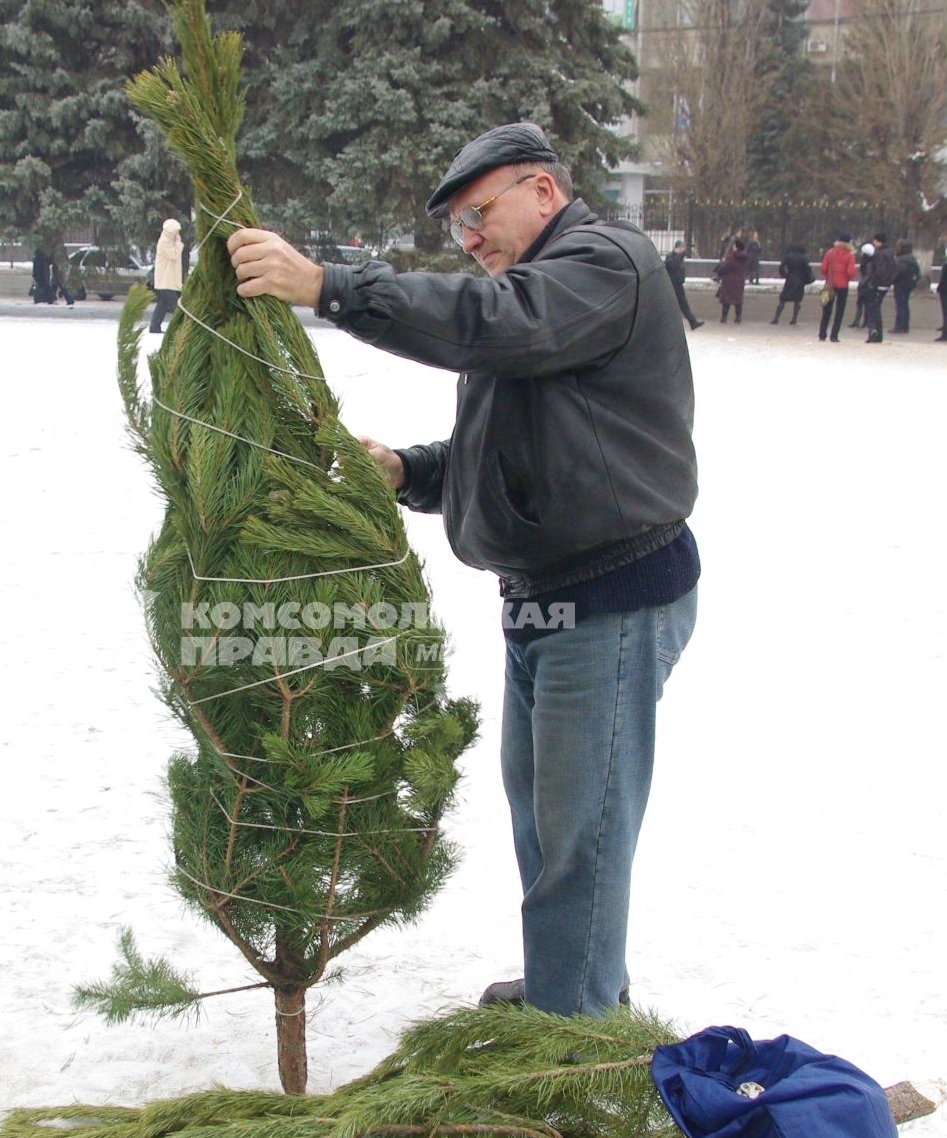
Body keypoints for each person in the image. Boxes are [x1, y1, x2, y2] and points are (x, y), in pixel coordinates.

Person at [227, 121, 698, 1020]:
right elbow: (513, 450)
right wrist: (410, 471)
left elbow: (491, 324)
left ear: (544, 191)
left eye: (479, 215)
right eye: (457, 228)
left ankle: (574, 1033)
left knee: (581, 834)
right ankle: (574, 986)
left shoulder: (601, 266)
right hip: (546, 603)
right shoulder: (538, 298)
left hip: (613, 600)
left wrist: (328, 286)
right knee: (548, 823)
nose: (470, 239)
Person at [818, 231, 858, 342]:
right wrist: (846, 279)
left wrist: (828, 277)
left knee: (826, 310)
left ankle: (822, 334)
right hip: (843, 286)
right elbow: (851, 272)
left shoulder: (830, 252)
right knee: (839, 311)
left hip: (830, 284)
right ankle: (834, 335)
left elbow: (823, 268)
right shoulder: (850, 255)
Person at [148, 218, 184, 333]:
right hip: (165, 280)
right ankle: (181, 327)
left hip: (167, 280)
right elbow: (174, 254)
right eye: (176, 231)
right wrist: (179, 243)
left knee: (162, 305)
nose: (177, 234)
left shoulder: (169, 241)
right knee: (175, 305)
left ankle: (154, 327)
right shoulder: (164, 242)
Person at [861, 234, 895, 344]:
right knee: (876, 308)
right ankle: (878, 334)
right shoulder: (889, 252)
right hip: (885, 284)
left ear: (877, 241)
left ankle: (874, 331)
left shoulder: (879, 254)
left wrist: (873, 282)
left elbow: (879, 270)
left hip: (878, 284)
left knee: (873, 309)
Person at [663, 241, 704, 330]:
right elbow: (673, 265)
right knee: (670, 305)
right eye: (681, 248)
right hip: (671, 286)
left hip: (678, 285)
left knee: (683, 305)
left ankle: (693, 322)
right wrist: (679, 255)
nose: (682, 250)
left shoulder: (680, 258)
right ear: (676, 248)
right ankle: (691, 322)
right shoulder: (670, 257)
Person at [771, 243, 813, 325]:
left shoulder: (788, 257)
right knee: (797, 300)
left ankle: (776, 318)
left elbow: (781, 267)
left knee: (783, 299)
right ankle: (794, 319)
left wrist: (785, 275)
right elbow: (808, 270)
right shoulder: (803, 258)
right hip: (800, 280)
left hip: (790, 279)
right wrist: (805, 279)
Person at [715, 236, 749, 323]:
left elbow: (726, 267)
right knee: (738, 300)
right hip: (739, 281)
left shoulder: (732, 258)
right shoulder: (745, 258)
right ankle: (738, 317)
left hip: (729, 281)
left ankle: (724, 317)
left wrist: (719, 272)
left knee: (726, 300)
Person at [890, 239, 921, 334]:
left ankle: (899, 326)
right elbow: (918, 273)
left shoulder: (901, 259)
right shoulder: (911, 258)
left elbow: (898, 273)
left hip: (901, 284)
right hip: (908, 284)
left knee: (900, 305)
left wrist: (891, 279)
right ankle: (905, 325)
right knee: (905, 305)